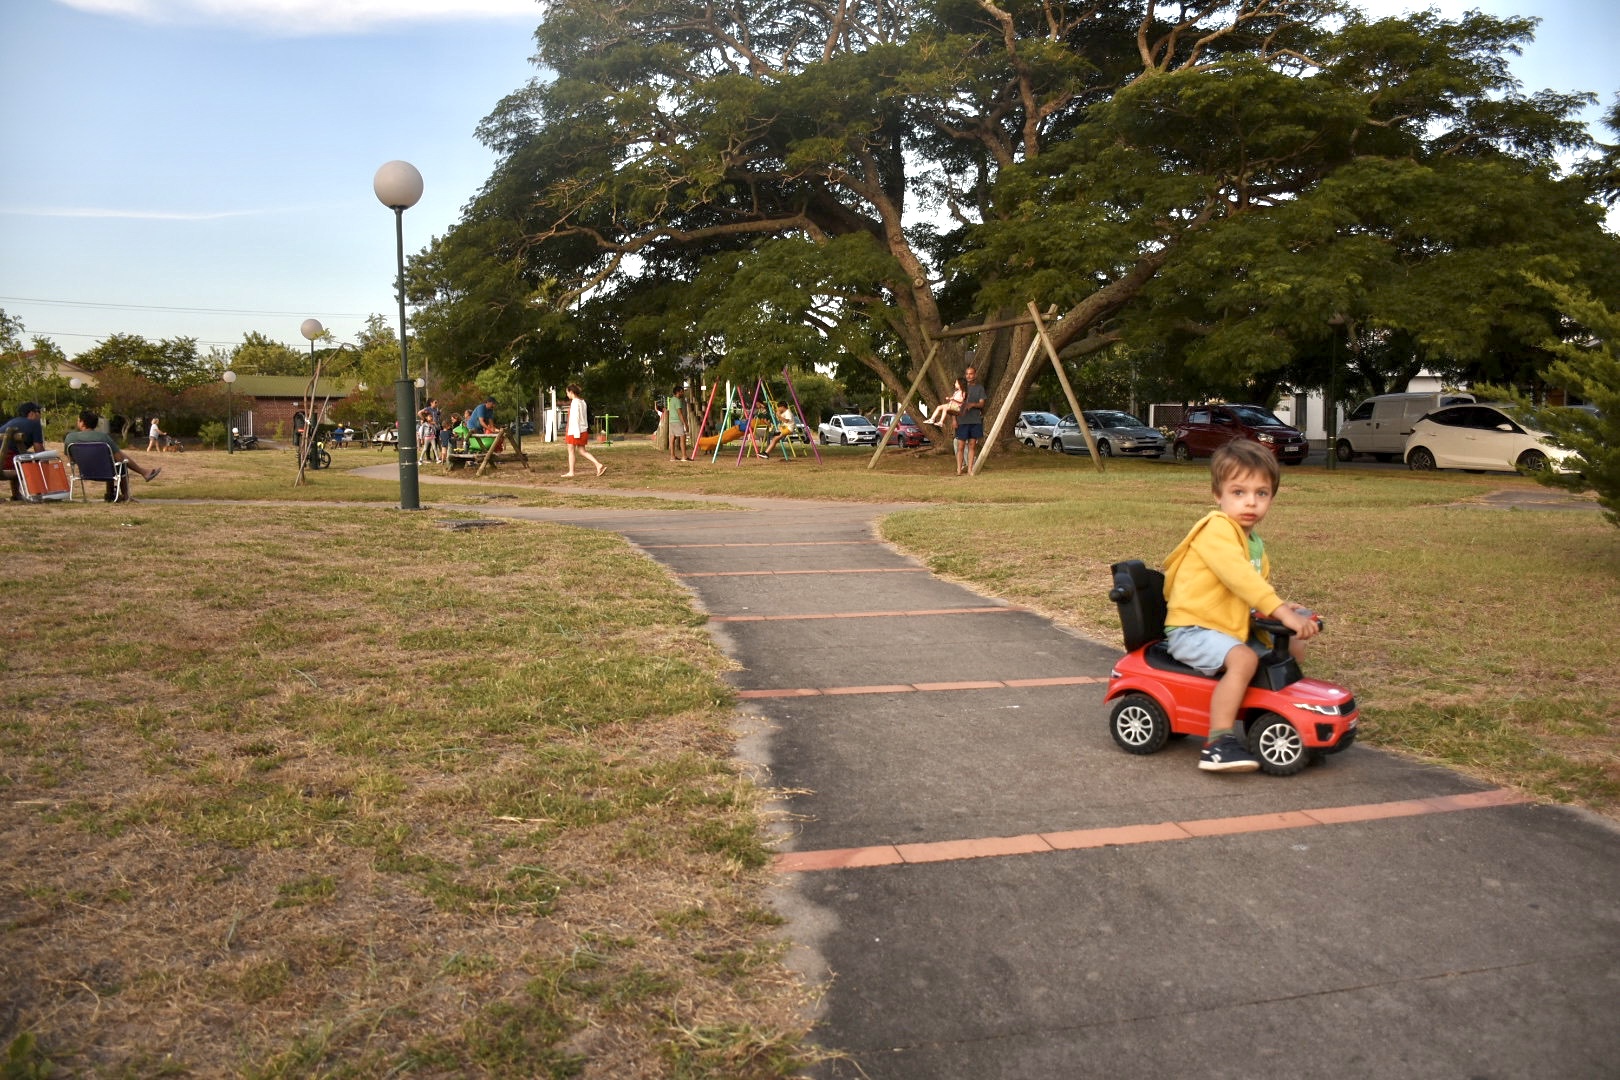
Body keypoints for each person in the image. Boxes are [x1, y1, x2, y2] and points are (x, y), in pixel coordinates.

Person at [1162, 439, 1320, 772]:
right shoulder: (1217, 529)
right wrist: (1281, 611)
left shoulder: (1253, 541)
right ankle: (1218, 742)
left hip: (1226, 626)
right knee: (1244, 659)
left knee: (1291, 645)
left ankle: (1281, 716)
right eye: (1238, 492)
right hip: (1193, 628)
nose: (1250, 502)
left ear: (1272, 498)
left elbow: (1253, 591)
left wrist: (1284, 608)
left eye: (1261, 493)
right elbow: (1241, 580)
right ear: (1217, 495)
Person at [62, 410, 161, 500]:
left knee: (113, 461)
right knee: (121, 463)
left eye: (78, 420)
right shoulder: (103, 437)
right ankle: (127, 494)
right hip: (107, 473)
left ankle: (110, 494)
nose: (77, 422)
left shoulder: (70, 438)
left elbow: (71, 460)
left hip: (85, 472)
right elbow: (120, 459)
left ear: (82, 423)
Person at [3, 401, 47, 501]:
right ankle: (38, 492)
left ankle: (16, 494)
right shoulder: (34, 424)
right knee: (34, 459)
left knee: (20, 456)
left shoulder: (12, 422)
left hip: (5, 458)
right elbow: (38, 448)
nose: (40, 415)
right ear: (31, 413)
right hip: (6, 460)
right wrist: (46, 461)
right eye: (38, 412)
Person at [561, 384, 606, 477]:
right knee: (582, 451)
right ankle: (598, 465)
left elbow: (575, 419)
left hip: (575, 431)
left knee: (571, 450)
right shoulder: (583, 402)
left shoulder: (575, 403)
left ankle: (571, 472)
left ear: (571, 392)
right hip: (582, 430)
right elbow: (584, 418)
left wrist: (575, 433)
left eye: (567, 392)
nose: (567, 394)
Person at [953, 365, 987, 475]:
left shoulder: (980, 388)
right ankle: (959, 470)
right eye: (967, 374)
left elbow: (982, 404)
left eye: (971, 373)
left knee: (972, 446)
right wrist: (954, 420)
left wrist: (972, 405)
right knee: (961, 446)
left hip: (975, 421)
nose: (969, 376)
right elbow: (952, 405)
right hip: (962, 421)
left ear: (975, 375)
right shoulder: (960, 388)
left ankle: (970, 469)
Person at [666, 386, 687, 461]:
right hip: (677, 421)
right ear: (678, 392)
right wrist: (685, 423)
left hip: (671, 421)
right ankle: (684, 456)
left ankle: (672, 456)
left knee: (672, 439)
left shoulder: (671, 400)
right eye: (681, 392)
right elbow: (679, 413)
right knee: (682, 437)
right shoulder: (677, 401)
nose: (683, 393)